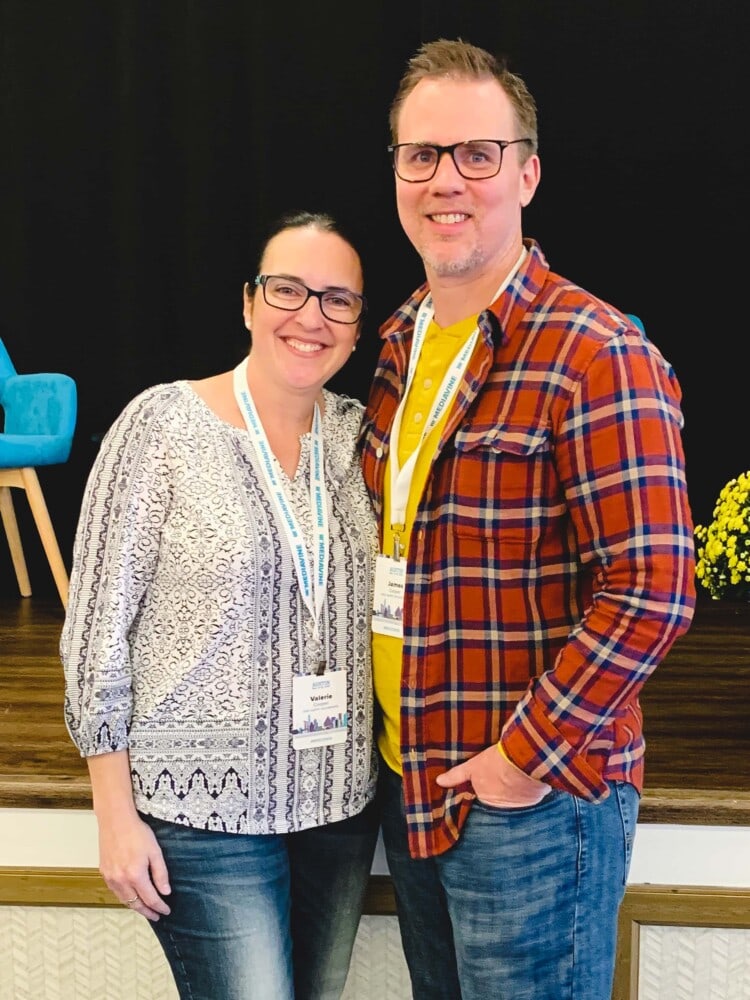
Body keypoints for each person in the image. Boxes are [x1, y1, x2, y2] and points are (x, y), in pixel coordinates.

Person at [359, 38, 696, 1000]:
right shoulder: (398, 341)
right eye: (420, 155)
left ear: (528, 172)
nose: (446, 179)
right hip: (412, 776)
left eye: (479, 153)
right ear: (396, 173)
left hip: (532, 800)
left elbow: (654, 588)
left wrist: (522, 758)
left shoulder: (594, 350)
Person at [61, 210, 380, 1000]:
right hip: (200, 814)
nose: (311, 316)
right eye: (288, 290)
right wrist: (113, 813)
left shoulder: (362, 438)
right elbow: (95, 629)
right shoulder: (161, 425)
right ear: (248, 303)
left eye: (337, 300)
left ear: (358, 325)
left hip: (337, 805)